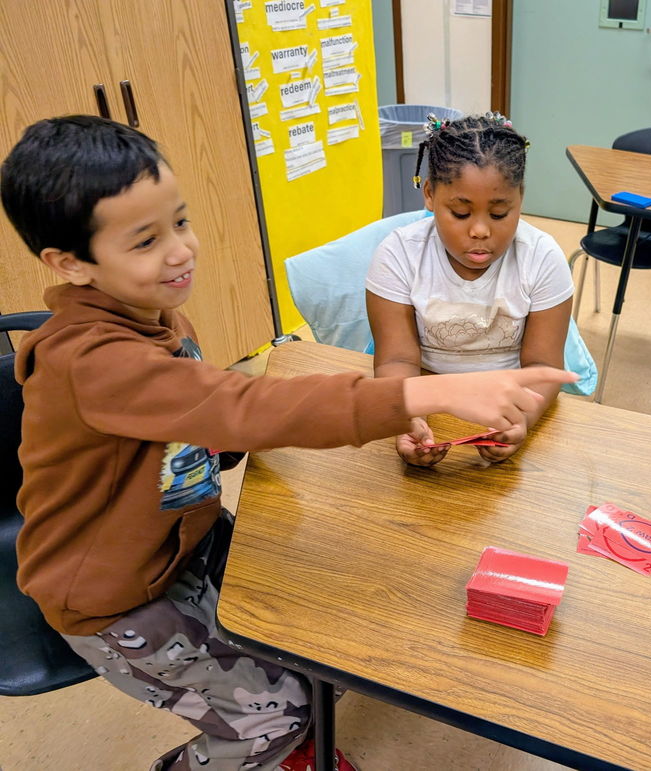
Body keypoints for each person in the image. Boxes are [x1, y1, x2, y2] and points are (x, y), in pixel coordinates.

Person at [0, 115, 576, 771]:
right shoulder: (91, 359)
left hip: (183, 537)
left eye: (180, 223)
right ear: (69, 262)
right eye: (145, 241)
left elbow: (199, 417)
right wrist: (429, 395)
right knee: (277, 715)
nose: (181, 251)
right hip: (114, 595)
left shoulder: (152, 310)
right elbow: (239, 404)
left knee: (319, 632)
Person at [365, 113, 573, 466]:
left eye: (500, 213)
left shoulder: (541, 257)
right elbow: (396, 360)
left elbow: (542, 365)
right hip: (428, 396)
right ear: (430, 194)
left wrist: (522, 418)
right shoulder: (398, 254)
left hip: (511, 400)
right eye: (461, 213)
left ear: (520, 199)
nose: (479, 230)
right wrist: (406, 416)